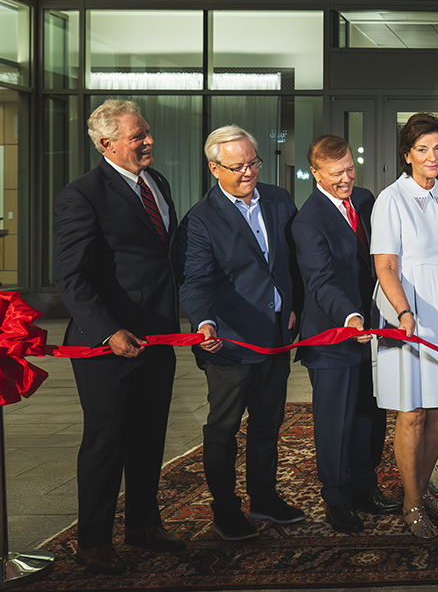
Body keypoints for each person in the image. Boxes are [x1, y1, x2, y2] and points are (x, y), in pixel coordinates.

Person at [53, 100, 185, 574]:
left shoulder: (157, 183)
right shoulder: (81, 195)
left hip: (159, 338)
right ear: (107, 144)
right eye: (137, 136)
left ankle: (144, 526)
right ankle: (92, 542)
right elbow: (69, 277)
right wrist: (109, 331)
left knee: (150, 435)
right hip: (105, 346)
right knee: (106, 441)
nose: (148, 141)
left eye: (146, 132)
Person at [178, 125, 304, 542]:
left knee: (268, 426)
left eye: (253, 162)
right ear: (215, 168)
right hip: (230, 343)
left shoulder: (280, 199)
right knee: (224, 429)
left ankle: (264, 499)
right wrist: (203, 322)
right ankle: (225, 510)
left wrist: (294, 306)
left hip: (275, 336)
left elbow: (290, 262)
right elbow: (195, 280)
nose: (248, 171)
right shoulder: (200, 219)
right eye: (237, 166)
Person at [371, 113, 438, 539]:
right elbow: (386, 265)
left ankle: (423, 488)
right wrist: (403, 313)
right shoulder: (390, 199)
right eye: (422, 149)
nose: (432, 156)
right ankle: (412, 502)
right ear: (406, 154)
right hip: (408, 310)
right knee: (412, 411)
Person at [292, 135, 401, 533]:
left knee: (369, 416)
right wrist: (350, 317)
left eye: (350, 170)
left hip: (372, 332)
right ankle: (336, 497)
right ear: (316, 172)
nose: (346, 180)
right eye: (337, 174)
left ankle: (364, 486)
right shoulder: (307, 221)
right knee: (334, 421)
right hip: (333, 336)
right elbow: (319, 282)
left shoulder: (367, 200)